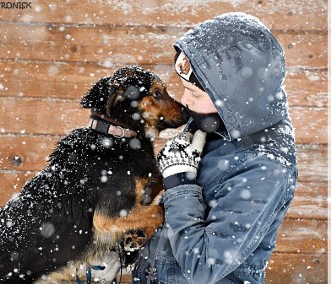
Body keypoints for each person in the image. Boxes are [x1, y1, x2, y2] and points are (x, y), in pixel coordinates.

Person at [92, 12, 298, 283]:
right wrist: (127, 253)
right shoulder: (216, 123)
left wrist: (179, 186)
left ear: (231, 96)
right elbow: (176, 225)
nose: (185, 101)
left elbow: (202, 267)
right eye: (184, 87)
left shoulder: (264, 166)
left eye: (196, 93)